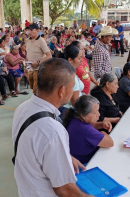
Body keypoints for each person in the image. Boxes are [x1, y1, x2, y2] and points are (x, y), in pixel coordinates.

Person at [12, 58, 93, 197]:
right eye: (73, 86)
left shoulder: (23, 108)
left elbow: (36, 148)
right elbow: (65, 190)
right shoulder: (53, 131)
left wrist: (65, 156)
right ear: (62, 91)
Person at [63, 95, 114, 164]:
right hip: (86, 164)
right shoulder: (86, 130)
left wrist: (101, 125)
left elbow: (89, 125)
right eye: (95, 112)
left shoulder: (74, 118)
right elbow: (110, 143)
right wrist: (102, 132)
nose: (98, 114)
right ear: (84, 115)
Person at [26, 23, 52, 95]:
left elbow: (49, 56)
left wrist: (38, 62)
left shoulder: (41, 41)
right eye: (28, 30)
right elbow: (28, 53)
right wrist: (26, 67)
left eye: (31, 30)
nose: (29, 32)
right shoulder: (28, 40)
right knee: (32, 88)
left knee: (37, 90)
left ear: (37, 30)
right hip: (30, 68)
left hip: (39, 69)